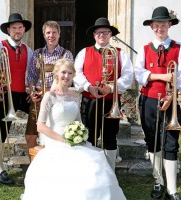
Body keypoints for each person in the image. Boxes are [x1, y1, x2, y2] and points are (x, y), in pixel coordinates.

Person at [22, 58, 126, 200]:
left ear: (73, 75)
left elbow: (78, 121)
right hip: (56, 141)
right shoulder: (49, 96)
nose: (66, 76)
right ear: (57, 73)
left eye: (70, 73)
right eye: (63, 72)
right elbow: (40, 126)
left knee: (94, 163)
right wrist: (63, 139)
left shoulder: (76, 96)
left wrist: (80, 134)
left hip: (74, 140)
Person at [134, 6, 181, 200]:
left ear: (169, 25)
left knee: (171, 144)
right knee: (153, 142)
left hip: (171, 101)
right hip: (149, 101)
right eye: (157, 25)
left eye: (164, 24)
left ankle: (172, 190)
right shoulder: (143, 49)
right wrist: (163, 76)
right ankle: (158, 181)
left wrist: (171, 97)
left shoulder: (180, 48)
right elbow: (139, 75)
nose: (160, 28)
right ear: (151, 26)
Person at [73, 18, 133, 171]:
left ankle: (110, 171)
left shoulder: (120, 53)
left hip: (111, 102)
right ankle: (91, 170)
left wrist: (112, 87)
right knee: (90, 135)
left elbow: (128, 75)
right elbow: (76, 73)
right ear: (94, 34)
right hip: (90, 100)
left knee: (110, 137)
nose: (102, 35)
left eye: (105, 32)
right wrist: (88, 86)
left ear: (110, 34)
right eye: (98, 32)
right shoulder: (84, 52)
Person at [0, 13, 33, 185]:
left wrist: (30, 89)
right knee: (1, 129)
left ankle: (37, 160)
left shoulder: (27, 50)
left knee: (39, 121)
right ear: (8, 30)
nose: (17, 30)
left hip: (22, 93)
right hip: (4, 94)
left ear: (24, 30)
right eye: (14, 28)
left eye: (20, 28)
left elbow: (29, 74)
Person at [25, 20, 73, 149]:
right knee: (31, 136)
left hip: (57, 100)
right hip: (38, 100)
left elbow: (68, 78)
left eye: (54, 32)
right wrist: (32, 91)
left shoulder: (66, 54)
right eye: (48, 33)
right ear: (44, 35)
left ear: (59, 34)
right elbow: (30, 76)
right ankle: (34, 167)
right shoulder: (37, 53)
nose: (51, 35)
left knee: (51, 136)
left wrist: (49, 92)